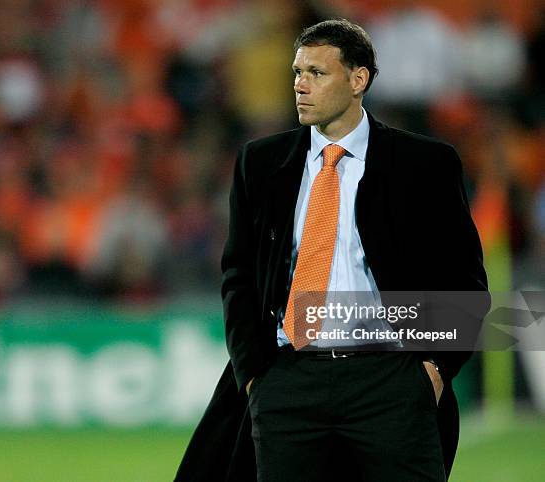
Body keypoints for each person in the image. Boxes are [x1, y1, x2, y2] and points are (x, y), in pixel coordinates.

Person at [175, 18, 488, 482]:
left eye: (316, 73)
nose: (300, 85)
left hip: (389, 379)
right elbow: (238, 275)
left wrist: (433, 370)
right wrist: (256, 374)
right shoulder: (260, 163)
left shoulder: (424, 163)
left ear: (358, 79)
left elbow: (463, 279)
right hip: (288, 380)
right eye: (297, 73)